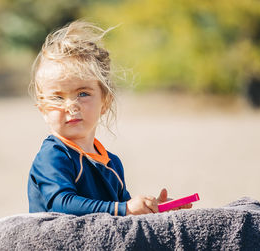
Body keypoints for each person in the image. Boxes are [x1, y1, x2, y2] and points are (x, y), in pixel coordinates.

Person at [27, 20, 192, 216]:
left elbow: (123, 214)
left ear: (105, 102)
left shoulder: (112, 163)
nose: (71, 106)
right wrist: (123, 209)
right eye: (57, 97)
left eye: (82, 94)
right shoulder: (54, 155)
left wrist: (153, 208)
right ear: (43, 110)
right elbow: (61, 204)